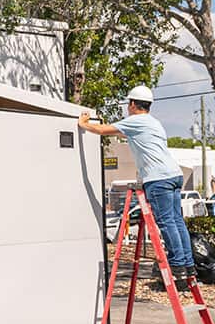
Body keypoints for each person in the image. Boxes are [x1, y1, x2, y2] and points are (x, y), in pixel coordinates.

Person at [78, 85, 195, 287]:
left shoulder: (135, 121)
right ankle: (188, 264)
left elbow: (102, 131)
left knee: (167, 222)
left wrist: (84, 123)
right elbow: (124, 134)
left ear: (132, 104)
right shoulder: (153, 123)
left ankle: (177, 267)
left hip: (158, 179)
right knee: (177, 221)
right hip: (174, 175)